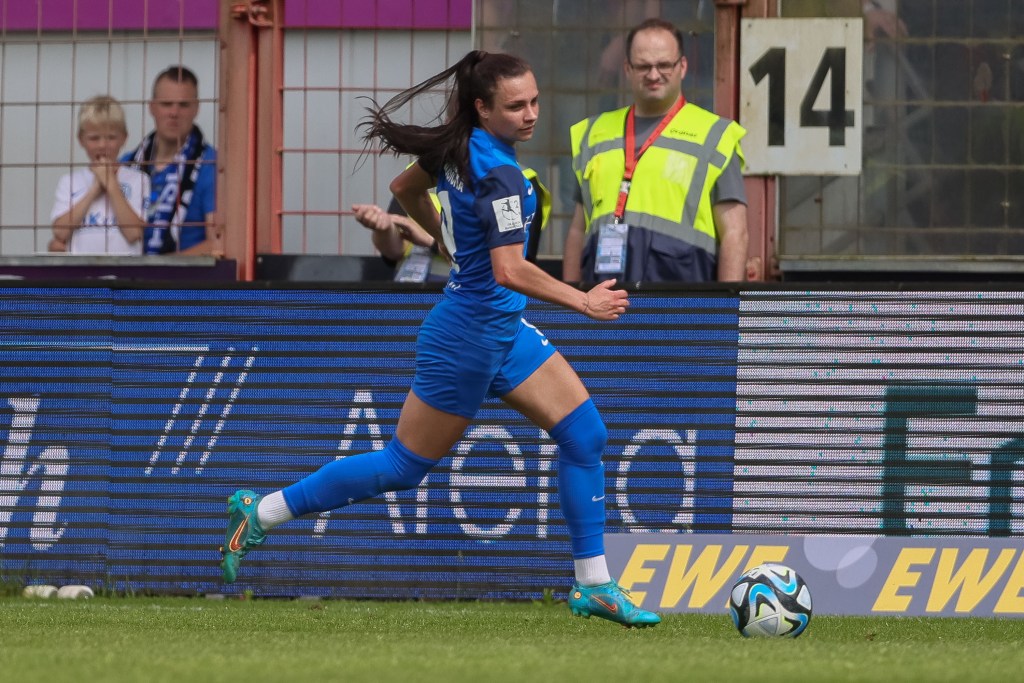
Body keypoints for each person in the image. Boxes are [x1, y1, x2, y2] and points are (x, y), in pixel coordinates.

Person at [219, 50, 660, 628]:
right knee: (403, 466)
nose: (530, 114)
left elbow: (405, 187)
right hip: (468, 337)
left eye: (534, 101)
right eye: (515, 106)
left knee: (585, 435)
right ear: (482, 108)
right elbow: (509, 270)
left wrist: (449, 243)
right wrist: (584, 301)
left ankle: (594, 585)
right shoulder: (500, 172)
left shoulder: (458, 146)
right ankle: (264, 511)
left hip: (500, 327)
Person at [562, 18, 749, 284]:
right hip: (602, 303)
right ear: (627, 68)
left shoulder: (714, 135)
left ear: (682, 67)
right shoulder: (594, 133)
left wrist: (725, 311)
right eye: (643, 66)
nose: (653, 75)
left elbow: (735, 232)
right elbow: (578, 230)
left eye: (663, 65)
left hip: (682, 304)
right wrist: (572, 305)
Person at [353, 167, 551, 282]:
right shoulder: (421, 171)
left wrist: (433, 240)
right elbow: (393, 251)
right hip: (412, 296)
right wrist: (384, 228)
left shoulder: (519, 181)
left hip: (477, 303)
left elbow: (515, 265)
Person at [121, 65, 217, 255]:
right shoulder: (127, 163)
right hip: (126, 278)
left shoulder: (212, 164)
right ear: (152, 107)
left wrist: (164, 269)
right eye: (166, 104)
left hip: (183, 281)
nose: (174, 113)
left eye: (183, 105)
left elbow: (218, 245)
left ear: (196, 108)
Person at [49, 95, 149, 255]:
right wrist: (95, 189)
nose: (102, 145)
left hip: (125, 273)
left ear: (124, 138)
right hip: (81, 274)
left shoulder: (139, 180)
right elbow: (60, 232)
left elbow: (134, 233)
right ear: (81, 139)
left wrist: (111, 184)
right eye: (94, 138)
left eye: (111, 137)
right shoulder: (69, 182)